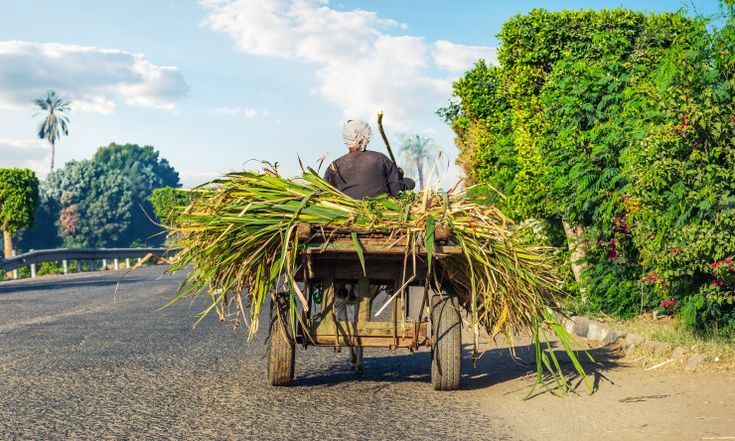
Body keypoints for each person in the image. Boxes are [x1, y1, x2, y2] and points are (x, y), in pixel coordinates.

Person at [324, 119, 415, 199]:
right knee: (410, 182)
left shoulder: (334, 166)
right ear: (367, 136)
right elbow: (397, 191)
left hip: (347, 211)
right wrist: (399, 176)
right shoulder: (380, 159)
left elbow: (325, 193)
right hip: (381, 208)